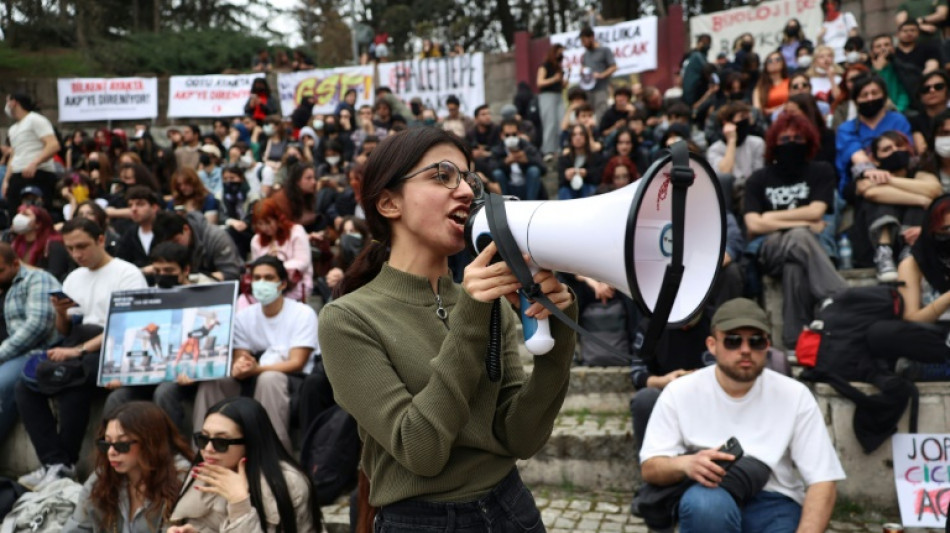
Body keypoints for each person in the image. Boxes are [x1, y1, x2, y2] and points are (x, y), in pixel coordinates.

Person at [319, 127, 576, 531]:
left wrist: (560, 335)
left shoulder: (486, 303)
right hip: (421, 521)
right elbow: (420, 450)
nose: (466, 192)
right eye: (442, 175)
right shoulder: (347, 319)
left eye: (469, 179)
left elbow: (521, 438)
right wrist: (470, 319)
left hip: (512, 508)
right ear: (388, 203)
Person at [639, 298, 845, 533]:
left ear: (767, 345)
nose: (745, 350)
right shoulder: (680, 391)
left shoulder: (794, 394)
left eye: (756, 341)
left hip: (775, 500)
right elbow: (651, 466)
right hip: (711, 494)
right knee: (705, 506)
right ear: (712, 345)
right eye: (733, 341)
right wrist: (687, 464)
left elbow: (823, 479)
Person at [16, 217, 147, 491]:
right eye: (71, 249)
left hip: (111, 349)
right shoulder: (74, 277)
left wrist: (75, 350)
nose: (77, 254)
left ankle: (64, 464)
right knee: (25, 385)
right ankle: (56, 463)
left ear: (101, 240)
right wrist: (61, 313)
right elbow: (65, 329)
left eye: (82, 246)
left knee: (72, 379)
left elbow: (125, 328)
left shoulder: (127, 274)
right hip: (76, 344)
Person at [193, 256, 318, 454]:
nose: (262, 283)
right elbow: (242, 357)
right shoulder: (245, 316)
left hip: (293, 381)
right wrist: (240, 366)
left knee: (269, 379)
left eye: (268, 278)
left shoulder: (303, 313)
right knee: (214, 382)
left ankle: (274, 453)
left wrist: (257, 369)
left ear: (282, 283)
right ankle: (203, 448)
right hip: (254, 375)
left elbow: (297, 362)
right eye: (257, 278)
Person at [745, 113, 848, 348]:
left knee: (795, 267)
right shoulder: (758, 179)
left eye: (797, 138)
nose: (791, 143)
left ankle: (794, 339)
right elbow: (753, 225)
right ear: (773, 143)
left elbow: (817, 211)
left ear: (809, 141)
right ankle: (839, 295)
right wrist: (800, 222)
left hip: (804, 249)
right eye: (784, 139)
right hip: (769, 248)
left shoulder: (820, 171)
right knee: (801, 234)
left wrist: (769, 217)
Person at [167, 397, 319, 532]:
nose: (208, 449)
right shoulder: (203, 471)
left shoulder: (287, 482)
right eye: (203, 438)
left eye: (221, 442)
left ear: (250, 442)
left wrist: (240, 504)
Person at [63, 401, 194, 533]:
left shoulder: (180, 479)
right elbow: (76, 529)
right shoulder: (101, 478)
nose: (111, 452)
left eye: (122, 444)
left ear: (150, 443)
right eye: (106, 443)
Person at [868, 195, 950, 376]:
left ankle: (931, 370)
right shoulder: (913, 264)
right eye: (945, 230)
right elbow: (912, 319)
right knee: (880, 333)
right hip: (934, 334)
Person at [853, 131, 940, 280]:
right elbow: (872, 193)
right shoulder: (867, 176)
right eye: (887, 149)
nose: (895, 151)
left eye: (899, 146)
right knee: (881, 201)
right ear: (875, 159)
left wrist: (889, 180)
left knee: (913, 206)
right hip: (870, 248)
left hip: (914, 242)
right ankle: (883, 253)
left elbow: (934, 190)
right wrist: (921, 199)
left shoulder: (920, 172)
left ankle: (910, 251)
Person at [0, 242, 59, 440]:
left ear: (16, 264)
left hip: (34, 352)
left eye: (0, 270)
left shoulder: (37, 279)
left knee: (2, 384)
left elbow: (38, 326)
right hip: (9, 353)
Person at [836, 74, 913, 196]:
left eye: (875, 93)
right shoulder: (846, 129)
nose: (870, 98)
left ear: (884, 96)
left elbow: (906, 151)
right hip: (861, 183)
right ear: (856, 101)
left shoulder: (898, 120)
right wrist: (871, 172)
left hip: (901, 180)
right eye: (864, 95)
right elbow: (857, 156)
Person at [2, 93, 61, 213]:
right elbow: (14, 154)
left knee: (37, 214)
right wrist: (6, 180)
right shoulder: (13, 129)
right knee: (15, 214)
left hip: (37, 173)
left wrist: (35, 163)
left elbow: (53, 145)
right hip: (17, 174)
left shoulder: (35, 119)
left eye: (8, 101)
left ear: (14, 102)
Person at [250, 199, 313, 301]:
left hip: (296, 286)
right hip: (269, 288)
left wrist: (276, 266)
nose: (265, 227)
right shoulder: (256, 240)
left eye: (268, 222)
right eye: (260, 224)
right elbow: (257, 267)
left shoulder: (296, 231)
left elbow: (303, 262)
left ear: (278, 218)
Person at [707, 101, 765, 213]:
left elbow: (759, 174)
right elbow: (725, 172)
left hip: (750, 191)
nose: (746, 120)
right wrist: (732, 141)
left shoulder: (757, 142)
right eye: (742, 117)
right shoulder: (714, 149)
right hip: (727, 195)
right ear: (727, 123)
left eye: (748, 116)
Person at [152, 210, 244, 281]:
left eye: (176, 241)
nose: (173, 246)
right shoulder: (162, 243)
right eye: (168, 243)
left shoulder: (216, 237)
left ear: (186, 229)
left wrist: (194, 279)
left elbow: (231, 274)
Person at [9, 204, 72, 281]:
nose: (19, 217)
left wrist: (22, 266)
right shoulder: (15, 243)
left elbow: (56, 274)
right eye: (19, 213)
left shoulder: (53, 245)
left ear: (38, 224)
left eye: (25, 215)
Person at [490, 118, 545, 201]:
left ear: (519, 134)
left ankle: (530, 203)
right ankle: (505, 203)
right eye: (507, 135)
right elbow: (490, 168)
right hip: (508, 187)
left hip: (527, 187)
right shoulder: (497, 149)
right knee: (497, 173)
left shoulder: (527, 147)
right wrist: (505, 162)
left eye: (514, 134)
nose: (511, 138)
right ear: (502, 135)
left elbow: (543, 168)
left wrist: (527, 160)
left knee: (533, 170)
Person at [113, 186, 162, 269]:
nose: (134, 209)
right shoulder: (129, 234)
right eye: (130, 205)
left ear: (154, 207)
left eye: (140, 204)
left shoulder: (166, 230)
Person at [868, 33, 919, 113]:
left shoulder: (903, 68)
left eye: (887, 45)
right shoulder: (866, 70)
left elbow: (904, 92)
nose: (883, 48)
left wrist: (898, 110)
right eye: (878, 46)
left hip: (900, 111)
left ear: (893, 49)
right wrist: (878, 70)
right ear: (871, 53)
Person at [537, 43, 569, 159]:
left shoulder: (559, 68)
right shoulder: (545, 66)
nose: (561, 55)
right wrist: (553, 79)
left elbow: (564, 85)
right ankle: (548, 150)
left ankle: (560, 147)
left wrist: (568, 74)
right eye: (559, 52)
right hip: (547, 96)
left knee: (562, 121)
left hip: (558, 95)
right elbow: (539, 82)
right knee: (550, 122)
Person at [558, 123, 605, 199]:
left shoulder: (596, 157)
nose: (578, 137)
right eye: (574, 135)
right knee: (563, 190)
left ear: (586, 137)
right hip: (570, 189)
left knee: (591, 189)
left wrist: (586, 173)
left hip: (588, 187)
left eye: (581, 134)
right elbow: (561, 181)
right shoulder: (564, 158)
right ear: (571, 139)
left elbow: (598, 177)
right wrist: (566, 176)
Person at [579, 26, 617, 120]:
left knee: (601, 113)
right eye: (582, 42)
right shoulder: (585, 55)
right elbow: (584, 68)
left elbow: (614, 67)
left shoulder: (605, 50)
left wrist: (601, 75)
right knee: (589, 114)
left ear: (591, 37)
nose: (583, 44)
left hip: (601, 88)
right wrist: (582, 72)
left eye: (584, 41)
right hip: (588, 90)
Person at [911, 70, 950, 152]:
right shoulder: (915, 122)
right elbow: (922, 151)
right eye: (925, 89)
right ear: (920, 95)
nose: (932, 91)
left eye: (938, 86)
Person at [753, 52, 790, 117]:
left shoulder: (790, 82)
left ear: (783, 63)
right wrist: (778, 109)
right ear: (766, 65)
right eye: (770, 61)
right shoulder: (760, 88)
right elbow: (758, 110)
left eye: (778, 59)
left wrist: (773, 110)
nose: (774, 62)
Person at [682, 34, 712, 107]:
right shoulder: (696, 56)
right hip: (695, 94)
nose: (706, 45)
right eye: (704, 42)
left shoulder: (700, 56)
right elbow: (707, 69)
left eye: (708, 42)